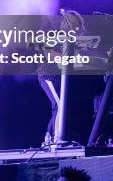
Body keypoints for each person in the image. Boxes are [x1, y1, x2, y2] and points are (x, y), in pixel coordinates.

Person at [37, 10, 86, 147]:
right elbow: (48, 54)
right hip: (48, 74)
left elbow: (82, 58)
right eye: (66, 21)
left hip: (61, 77)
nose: (66, 23)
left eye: (73, 23)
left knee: (60, 107)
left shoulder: (75, 41)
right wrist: (68, 58)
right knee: (59, 105)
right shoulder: (53, 36)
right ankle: (57, 140)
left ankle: (52, 139)